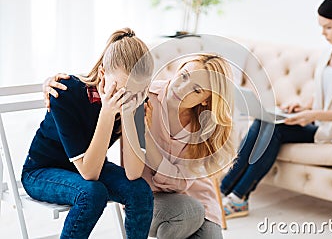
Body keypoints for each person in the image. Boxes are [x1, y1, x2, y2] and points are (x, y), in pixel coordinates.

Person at [220, 0, 332, 219]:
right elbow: (323, 93)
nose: (323, 33)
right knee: (264, 122)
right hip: (315, 121)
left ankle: (233, 196)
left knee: (272, 129)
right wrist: (301, 105)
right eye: (321, 27)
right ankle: (226, 193)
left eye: (328, 27)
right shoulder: (330, 51)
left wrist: (312, 115)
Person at [44, 53, 237, 238]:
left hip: (197, 197)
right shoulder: (143, 95)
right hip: (149, 197)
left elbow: (177, 183)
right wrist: (54, 83)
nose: (182, 88)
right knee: (189, 213)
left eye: (196, 90)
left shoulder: (203, 125)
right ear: (180, 68)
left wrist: (145, 134)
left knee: (206, 229)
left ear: (206, 100)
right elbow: (105, 78)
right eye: (184, 76)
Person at [22, 27, 154, 239]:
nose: (128, 96)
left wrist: (132, 114)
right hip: (42, 172)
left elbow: (133, 172)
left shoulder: (135, 101)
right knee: (92, 193)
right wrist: (108, 111)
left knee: (139, 191)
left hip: (89, 167)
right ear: (103, 74)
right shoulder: (66, 92)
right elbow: (89, 174)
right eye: (121, 89)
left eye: (138, 90)